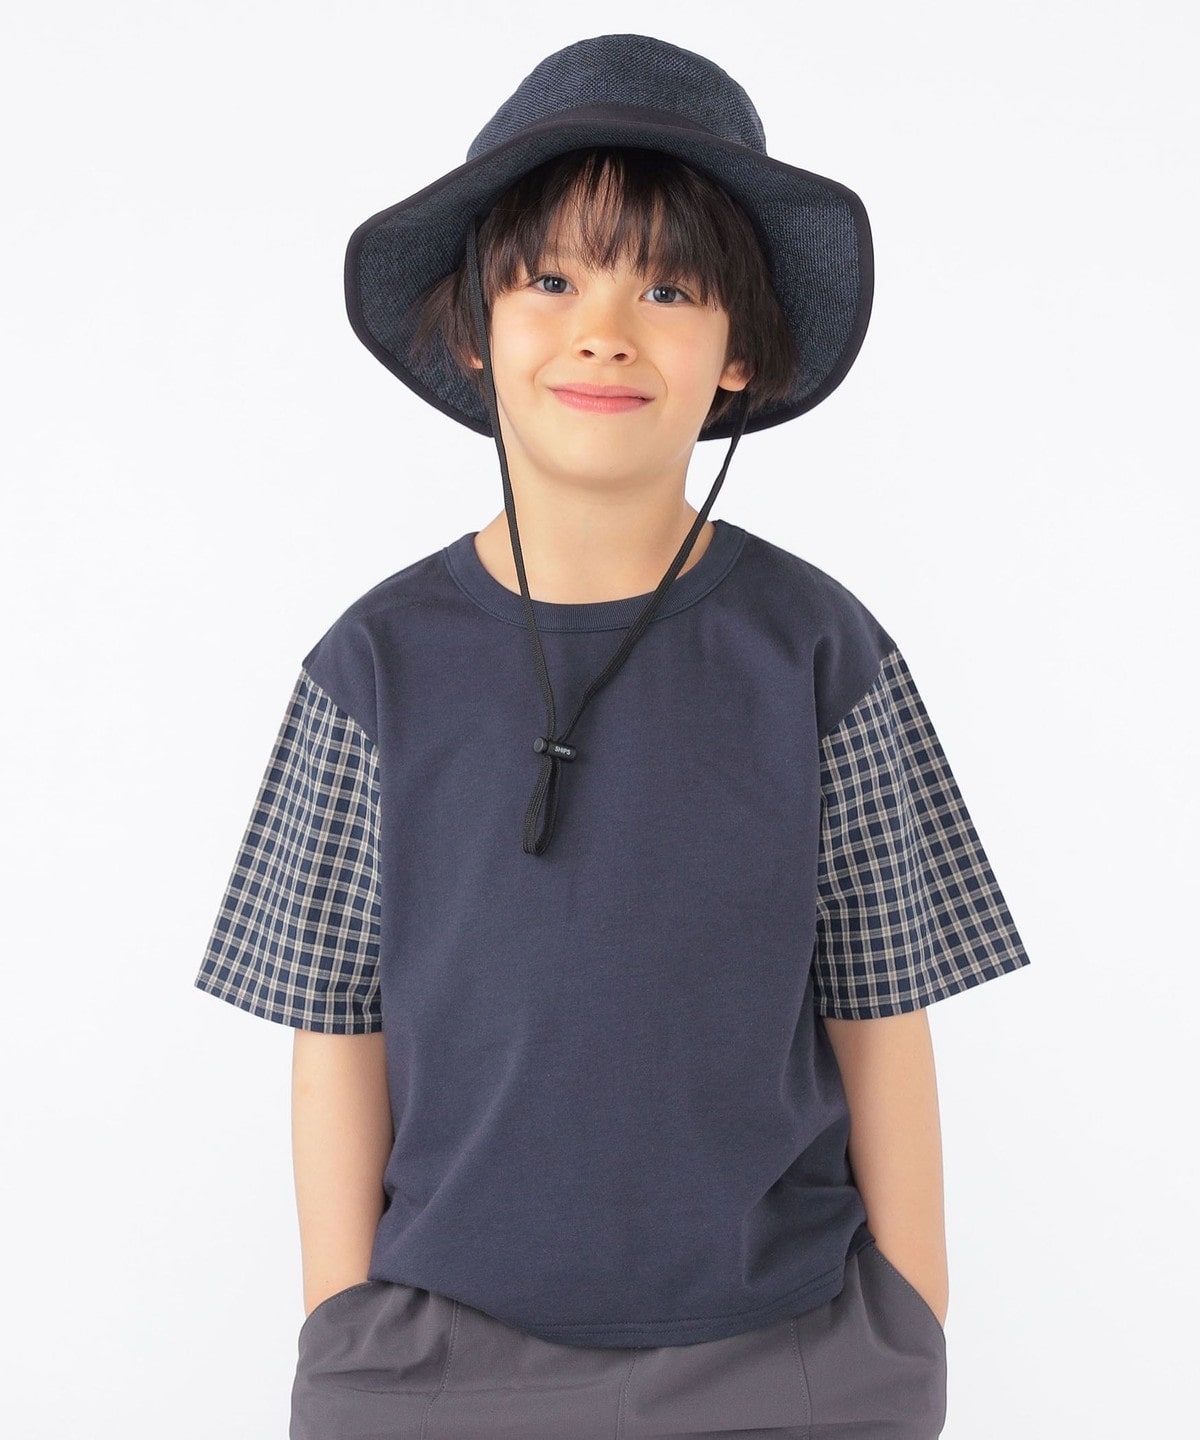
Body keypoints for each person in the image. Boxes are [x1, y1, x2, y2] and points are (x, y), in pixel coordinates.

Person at [193, 33, 1031, 1440]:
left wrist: (909, 1323)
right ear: (474, 326)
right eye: (551, 280)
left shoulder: (823, 652)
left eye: (668, 287)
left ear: (741, 352)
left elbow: (883, 1008)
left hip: (789, 1353)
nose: (604, 329)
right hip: (436, 1362)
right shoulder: (371, 666)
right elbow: (334, 1028)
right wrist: (343, 1332)